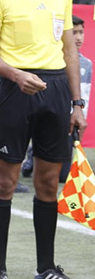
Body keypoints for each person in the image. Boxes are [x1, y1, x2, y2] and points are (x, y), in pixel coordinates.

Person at [0, 0, 87, 279]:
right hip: (16, 90)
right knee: (5, 183)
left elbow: (69, 48)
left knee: (47, 183)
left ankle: (46, 269)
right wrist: (16, 75)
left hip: (57, 89)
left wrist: (77, 103)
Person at [59, 15, 91, 182]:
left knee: (63, 176)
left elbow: (84, 92)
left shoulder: (87, 64)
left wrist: (79, 114)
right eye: (74, 33)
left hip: (71, 116)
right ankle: (32, 157)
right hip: (53, 115)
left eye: (81, 32)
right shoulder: (54, 60)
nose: (78, 38)